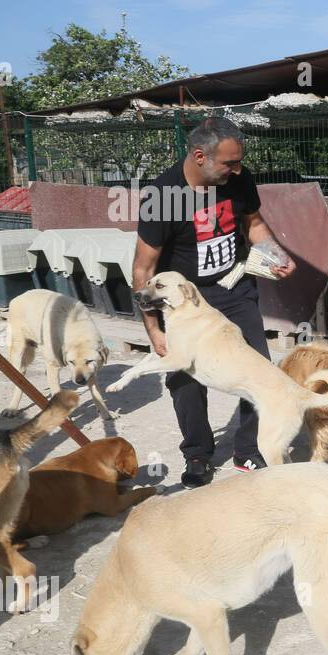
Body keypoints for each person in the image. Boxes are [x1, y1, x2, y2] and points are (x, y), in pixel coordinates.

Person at [133, 117, 296, 487]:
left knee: (257, 369)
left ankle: (250, 450)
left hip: (234, 286)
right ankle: (197, 454)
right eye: (228, 163)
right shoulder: (161, 197)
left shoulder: (239, 180)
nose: (236, 169)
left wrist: (274, 254)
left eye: (238, 161)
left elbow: (253, 223)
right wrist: (154, 330)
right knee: (184, 377)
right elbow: (144, 268)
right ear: (200, 156)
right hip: (185, 299)